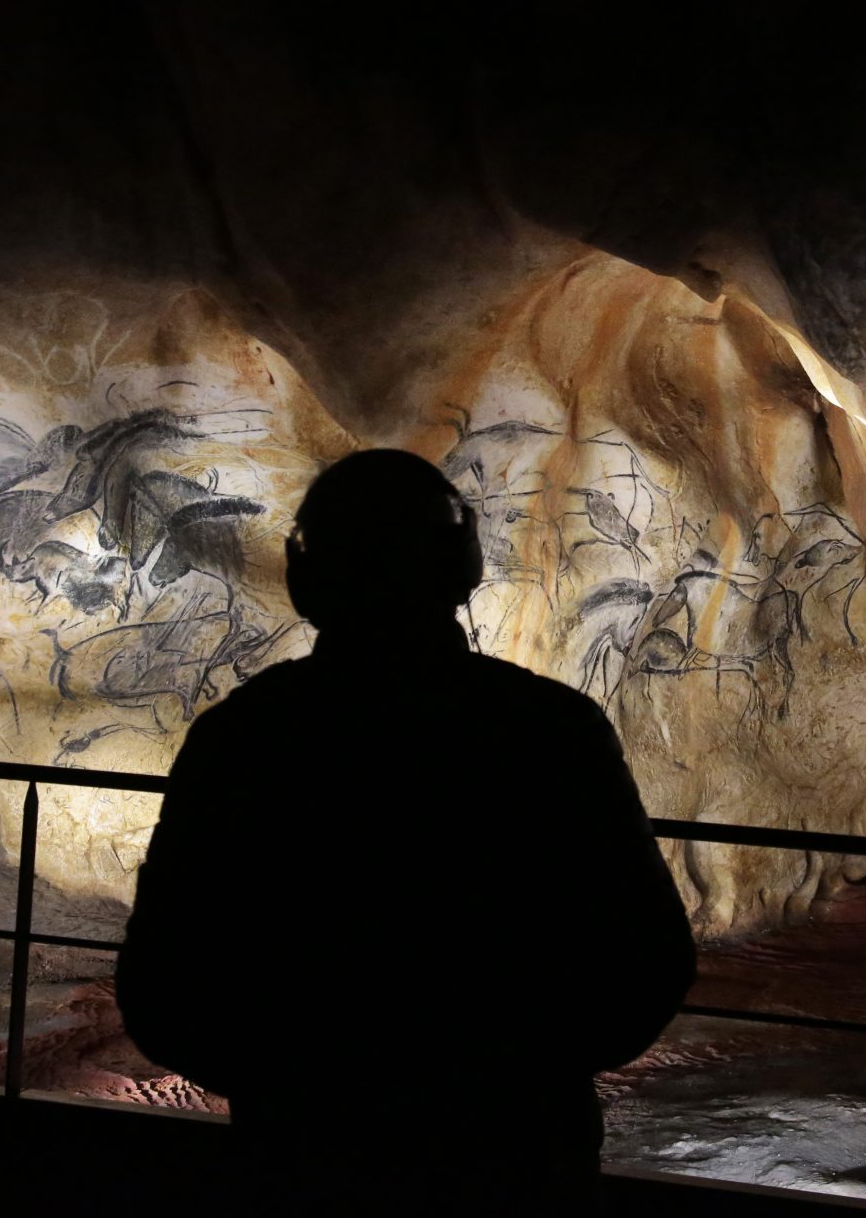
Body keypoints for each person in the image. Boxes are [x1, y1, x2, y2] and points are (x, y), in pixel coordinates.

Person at [117, 449, 696, 1214]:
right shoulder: (550, 732)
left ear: (306, 577)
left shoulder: (246, 740)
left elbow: (164, 976)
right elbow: (650, 953)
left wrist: (284, 1077)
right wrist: (533, 1069)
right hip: (515, 1150)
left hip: (306, 1150)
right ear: (461, 566)